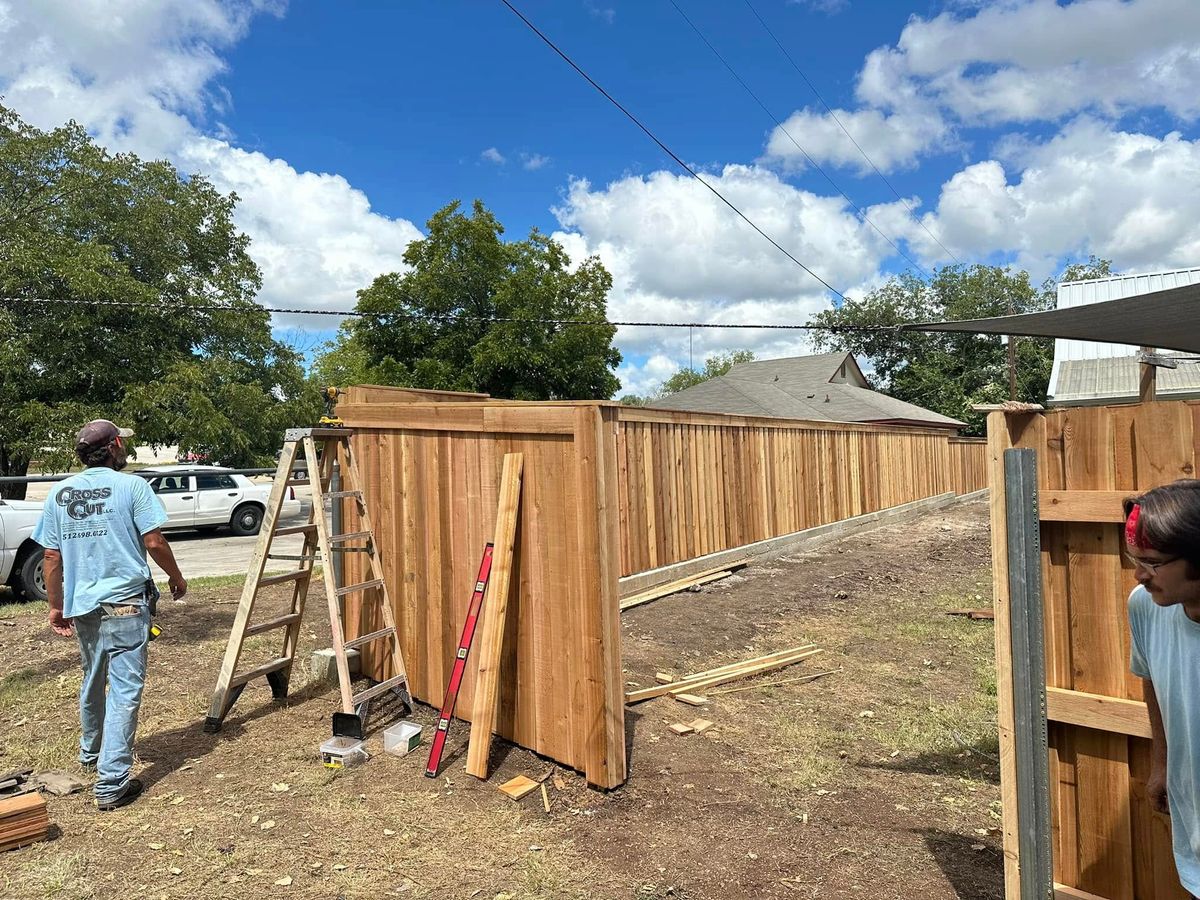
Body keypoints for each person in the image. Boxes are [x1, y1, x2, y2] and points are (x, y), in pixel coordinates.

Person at [34, 419, 188, 811]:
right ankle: (112, 782)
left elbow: (51, 556)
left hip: (83, 606)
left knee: (93, 676)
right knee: (124, 689)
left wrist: (56, 605)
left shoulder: (60, 493)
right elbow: (153, 540)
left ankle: (91, 752)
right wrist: (176, 576)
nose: (126, 451)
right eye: (124, 445)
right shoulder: (133, 486)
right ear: (116, 445)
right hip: (125, 604)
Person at [1125, 481, 1200, 898]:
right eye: (1134, 559)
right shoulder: (1145, 607)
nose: (1139, 575)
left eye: (1152, 563)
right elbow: (1151, 677)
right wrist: (1162, 764)